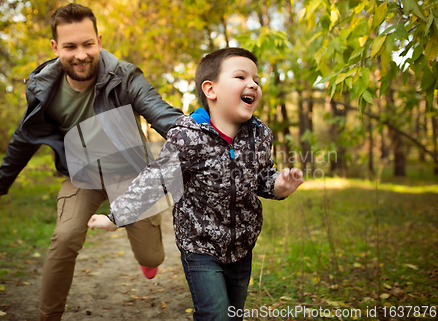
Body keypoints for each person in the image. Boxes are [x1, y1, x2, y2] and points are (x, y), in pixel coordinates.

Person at [0, 3, 183, 321]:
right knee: (64, 237)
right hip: (82, 174)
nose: (80, 54)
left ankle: (148, 257)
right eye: (70, 46)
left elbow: (161, 112)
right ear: (55, 47)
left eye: (88, 44)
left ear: (99, 41)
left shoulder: (124, 76)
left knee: (151, 255)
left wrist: (205, 139)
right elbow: (23, 139)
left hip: (130, 175)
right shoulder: (43, 89)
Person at [88, 47, 304, 320]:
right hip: (199, 247)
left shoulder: (260, 136)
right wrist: (116, 217)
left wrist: (278, 186)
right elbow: (155, 181)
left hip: (241, 247)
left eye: (256, 80)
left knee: (233, 315)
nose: (253, 84)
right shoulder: (188, 137)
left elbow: (261, 177)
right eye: (241, 77)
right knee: (215, 315)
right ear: (210, 90)